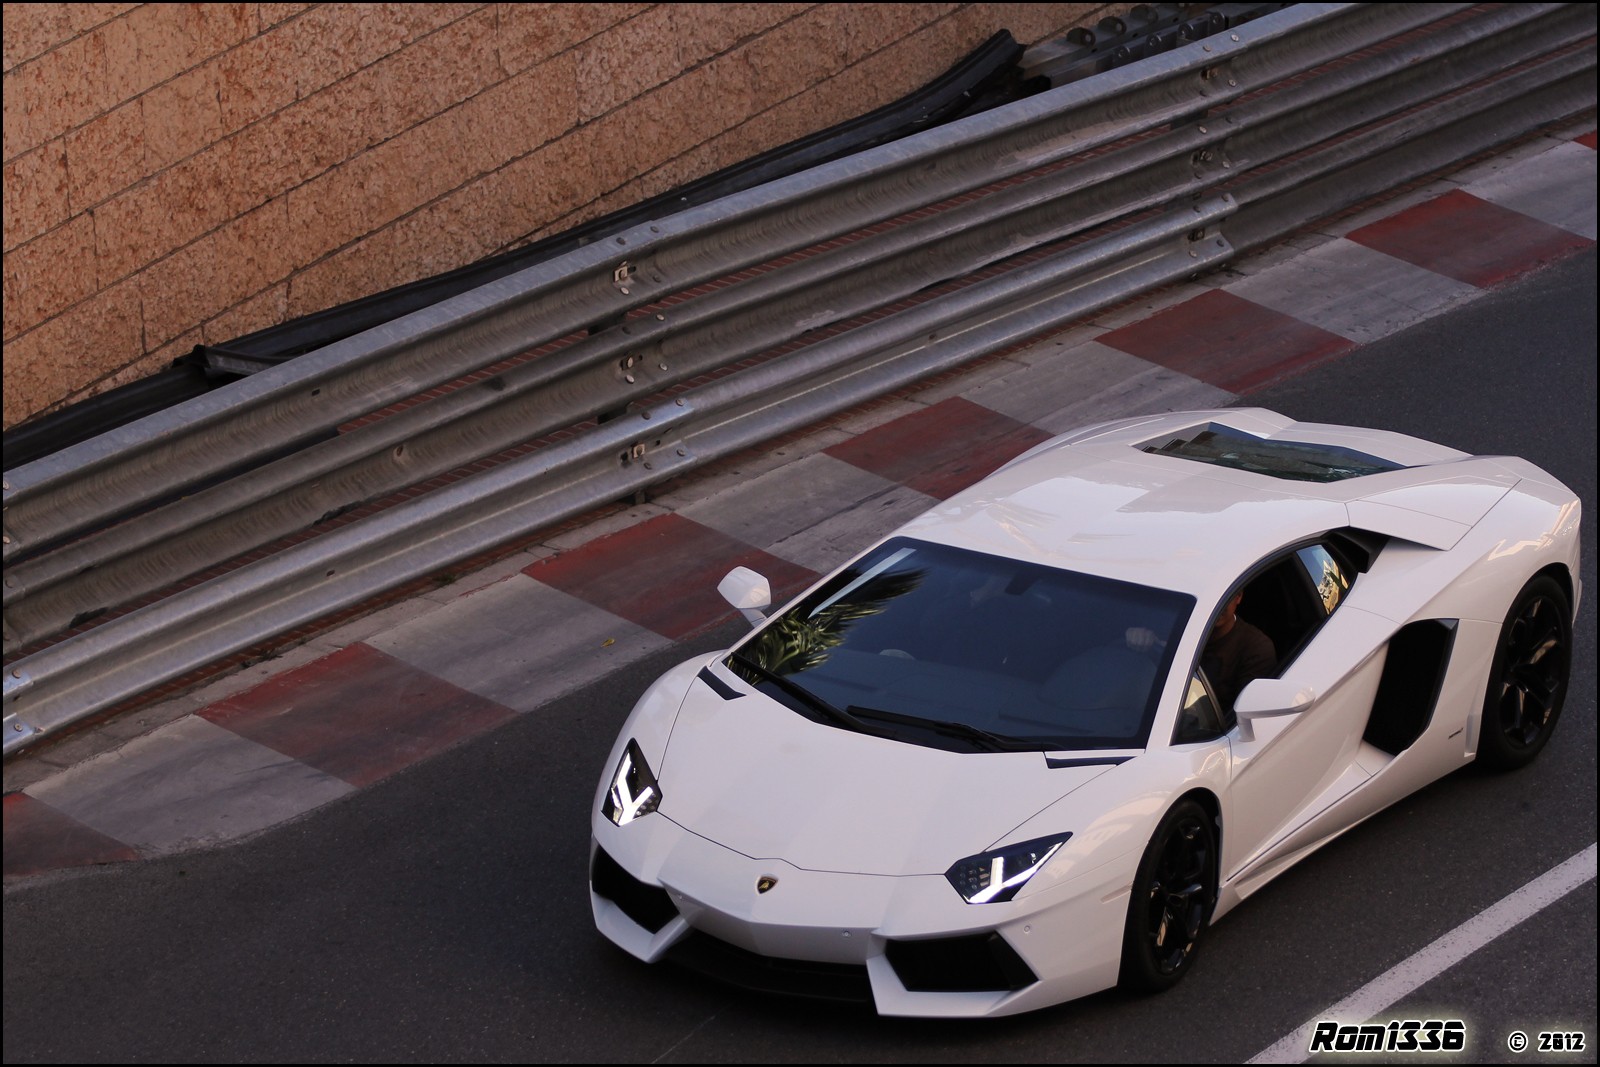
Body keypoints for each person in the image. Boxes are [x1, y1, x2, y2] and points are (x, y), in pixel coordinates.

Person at [1200, 591, 1276, 713]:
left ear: (1238, 597)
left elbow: (1243, 716)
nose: (1215, 605)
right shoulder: (1176, 633)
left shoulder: (1256, 648)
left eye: (1224, 597)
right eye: (1211, 597)